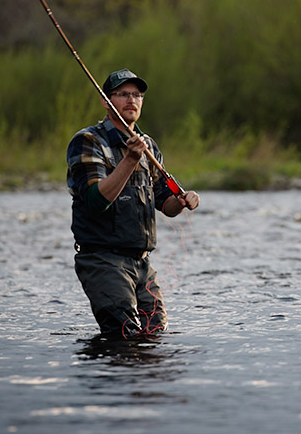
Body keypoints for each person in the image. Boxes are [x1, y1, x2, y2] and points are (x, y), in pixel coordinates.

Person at [66, 68, 200, 339]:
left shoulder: (148, 145)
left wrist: (183, 201)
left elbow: (165, 204)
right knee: (123, 338)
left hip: (142, 263)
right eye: (123, 94)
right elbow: (95, 201)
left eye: (137, 94)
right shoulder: (88, 141)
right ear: (106, 101)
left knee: (154, 336)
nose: (131, 100)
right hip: (103, 259)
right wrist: (129, 160)